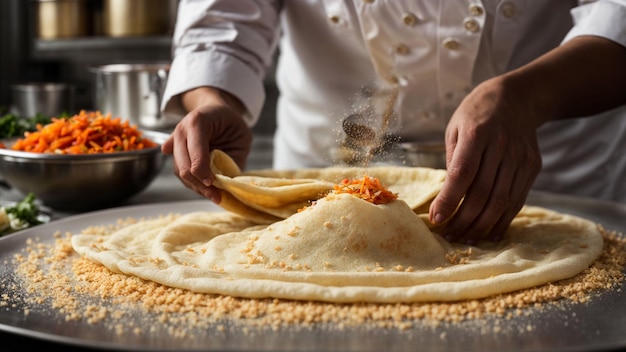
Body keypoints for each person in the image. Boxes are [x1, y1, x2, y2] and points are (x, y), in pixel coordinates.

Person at [160, 1, 626, 245]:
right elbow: (224, 16)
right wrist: (215, 97)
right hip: (316, 186)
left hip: (540, 181)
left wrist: (528, 97)